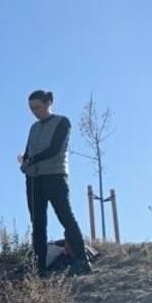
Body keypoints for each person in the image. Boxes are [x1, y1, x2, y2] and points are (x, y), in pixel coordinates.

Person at [20, 89, 90, 276]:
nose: (35, 112)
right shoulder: (33, 128)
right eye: (31, 109)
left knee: (65, 216)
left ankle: (82, 260)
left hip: (55, 176)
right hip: (34, 179)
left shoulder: (62, 122)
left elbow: (54, 149)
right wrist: (25, 162)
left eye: (38, 107)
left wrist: (32, 159)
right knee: (38, 223)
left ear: (49, 102)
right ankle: (40, 267)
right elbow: (28, 152)